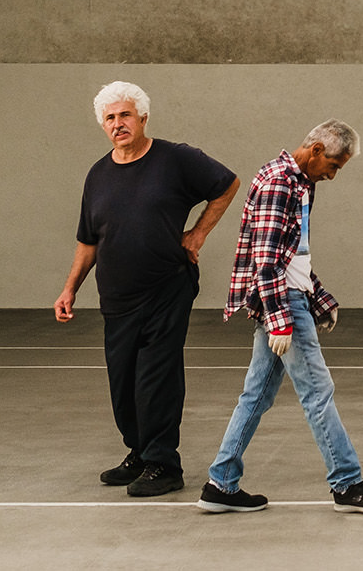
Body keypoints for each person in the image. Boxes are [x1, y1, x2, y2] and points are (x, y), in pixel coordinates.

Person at [54, 81, 239, 498]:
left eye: (125, 115)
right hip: (117, 298)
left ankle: (163, 464)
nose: (118, 124)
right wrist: (70, 290)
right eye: (110, 118)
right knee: (123, 383)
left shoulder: (175, 159)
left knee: (155, 379)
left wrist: (198, 234)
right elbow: (89, 240)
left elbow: (227, 184)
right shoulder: (98, 174)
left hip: (166, 288)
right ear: (103, 125)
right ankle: (139, 451)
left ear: (142, 118)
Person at [199, 120, 363, 515]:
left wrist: (319, 296)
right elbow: (266, 262)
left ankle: (220, 483)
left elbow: (293, 253)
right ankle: (347, 484)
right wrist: (279, 319)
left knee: (256, 395)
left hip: (288, 296)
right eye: (335, 165)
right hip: (282, 302)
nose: (334, 175)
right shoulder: (279, 185)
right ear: (317, 150)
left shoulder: (300, 183)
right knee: (318, 392)